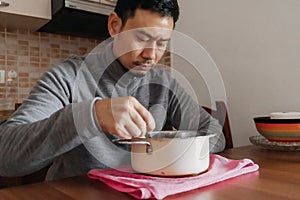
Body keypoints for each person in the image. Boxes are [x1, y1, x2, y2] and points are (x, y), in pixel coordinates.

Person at [0, 0, 225, 181]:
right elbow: (5, 157)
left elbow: (215, 134)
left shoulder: (164, 84)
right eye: (142, 38)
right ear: (115, 26)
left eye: (161, 43)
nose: (151, 54)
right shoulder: (67, 78)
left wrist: (170, 147)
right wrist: (91, 115)